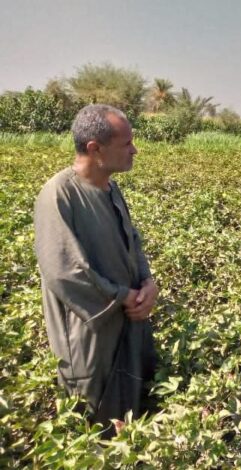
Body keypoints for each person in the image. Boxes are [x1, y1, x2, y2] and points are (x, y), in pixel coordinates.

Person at [34, 104, 158, 433]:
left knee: (132, 423)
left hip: (127, 321)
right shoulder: (58, 194)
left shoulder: (111, 188)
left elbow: (133, 243)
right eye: (127, 143)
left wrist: (148, 284)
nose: (135, 149)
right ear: (95, 148)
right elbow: (65, 271)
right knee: (97, 431)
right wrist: (124, 296)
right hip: (90, 338)